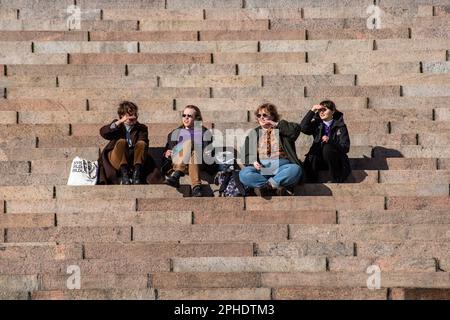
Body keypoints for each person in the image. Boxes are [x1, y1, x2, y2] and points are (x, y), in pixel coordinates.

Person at [239, 103, 303, 196]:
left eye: (264, 115)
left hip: (282, 168)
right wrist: (253, 162)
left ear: (272, 116)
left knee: (295, 169)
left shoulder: (282, 129)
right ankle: (274, 186)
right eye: (259, 115)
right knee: (244, 174)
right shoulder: (254, 133)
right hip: (263, 169)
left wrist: (276, 124)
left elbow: (296, 130)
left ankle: (266, 187)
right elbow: (245, 154)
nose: (261, 117)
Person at [97, 101, 158, 185]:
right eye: (129, 114)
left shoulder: (141, 128)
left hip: (133, 160)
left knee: (142, 143)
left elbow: (143, 144)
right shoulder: (117, 125)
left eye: (135, 114)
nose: (133, 117)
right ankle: (124, 175)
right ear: (122, 115)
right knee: (122, 142)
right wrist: (120, 122)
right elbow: (103, 133)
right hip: (116, 158)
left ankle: (136, 175)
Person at [161, 105, 216, 197]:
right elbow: (170, 150)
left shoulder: (203, 132)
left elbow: (207, 153)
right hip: (178, 159)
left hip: (198, 162)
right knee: (188, 143)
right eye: (184, 115)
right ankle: (196, 187)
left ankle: (177, 175)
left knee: (194, 152)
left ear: (196, 118)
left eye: (189, 116)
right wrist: (167, 153)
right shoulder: (174, 133)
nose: (186, 118)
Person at [300, 100, 351, 183]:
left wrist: (330, 141)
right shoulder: (317, 124)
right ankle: (311, 181)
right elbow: (302, 128)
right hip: (319, 161)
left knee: (327, 148)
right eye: (320, 110)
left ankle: (336, 178)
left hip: (335, 161)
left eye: (325, 110)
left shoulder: (340, 126)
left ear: (333, 111)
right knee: (313, 152)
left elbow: (345, 147)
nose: (321, 112)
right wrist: (312, 110)